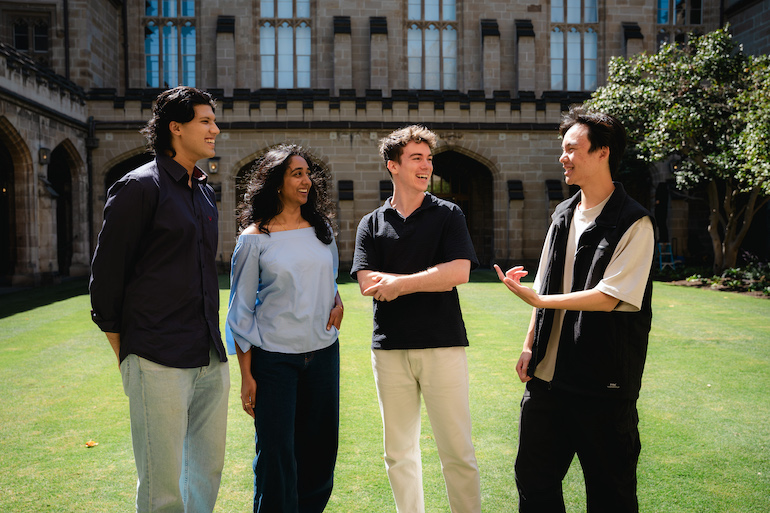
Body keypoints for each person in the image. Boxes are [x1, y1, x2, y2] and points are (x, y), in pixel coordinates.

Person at [494, 106, 655, 512]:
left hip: (603, 386)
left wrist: (540, 299)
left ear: (603, 153)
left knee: (610, 495)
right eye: (562, 149)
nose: (563, 157)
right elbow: (546, 282)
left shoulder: (635, 223)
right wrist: (530, 343)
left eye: (572, 149)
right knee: (534, 486)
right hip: (546, 382)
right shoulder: (562, 215)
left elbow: (610, 296)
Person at [89, 86, 229, 513]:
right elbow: (106, 281)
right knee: (162, 487)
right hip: (156, 356)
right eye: (205, 121)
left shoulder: (204, 191)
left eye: (213, 121)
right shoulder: (138, 187)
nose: (215, 129)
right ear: (175, 127)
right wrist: (130, 354)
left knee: (206, 475)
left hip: (209, 356)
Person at [351, 125, 482, 513]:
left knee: (457, 450)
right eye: (416, 158)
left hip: (442, 344)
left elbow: (458, 272)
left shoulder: (448, 214)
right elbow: (366, 282)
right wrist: (423, 279)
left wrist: (400, 283)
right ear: (393, 165)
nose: (426, 166)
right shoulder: (371, 223)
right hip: (389, 348)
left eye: (428, 158)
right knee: (398, 453)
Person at [226, 144, 343, 513]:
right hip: (274, 362)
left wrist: (337, 302)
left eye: (308, 173)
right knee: (277, 454)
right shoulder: (253, 239)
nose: (307, 180)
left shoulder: (321, 230)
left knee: (321, 452)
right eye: (297, 174)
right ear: (276, 182)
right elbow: (240, 312)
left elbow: (330, 278)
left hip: (323, 356)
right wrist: (247, 376)